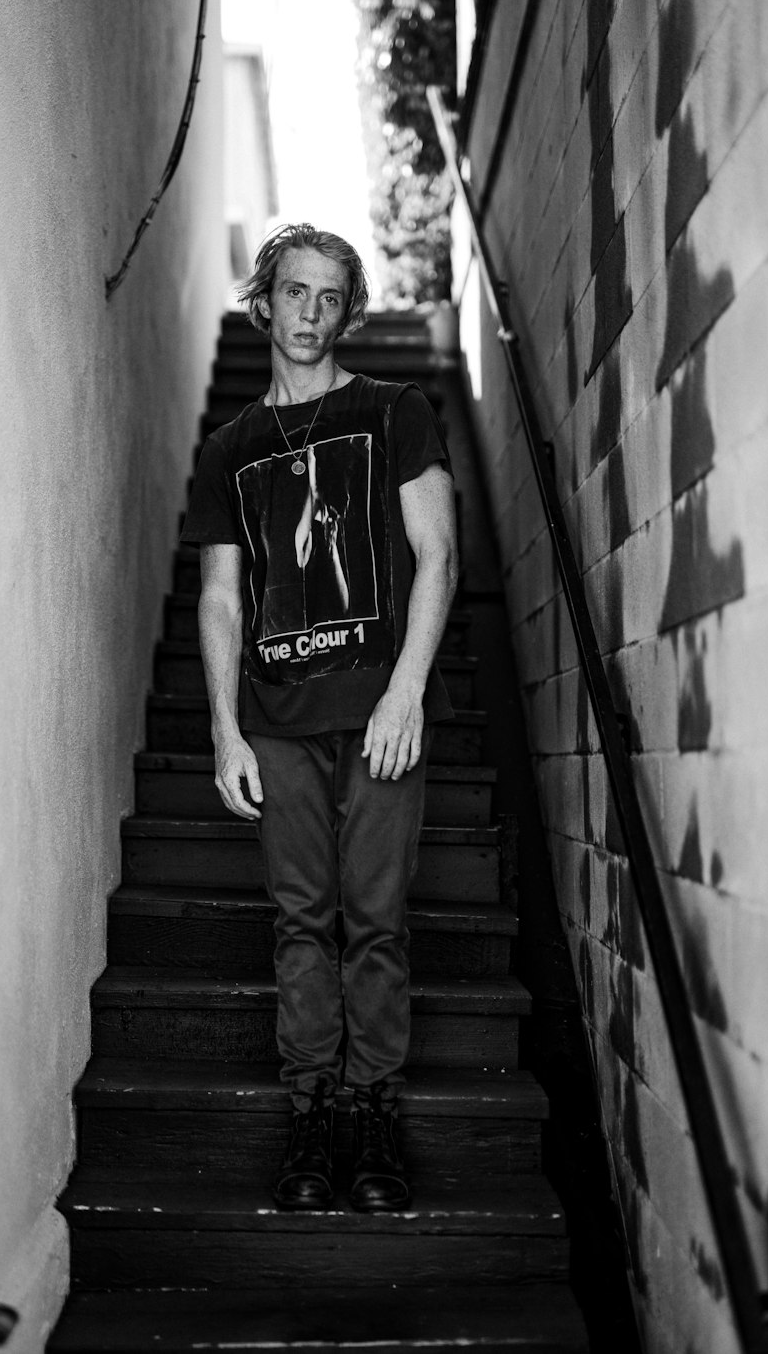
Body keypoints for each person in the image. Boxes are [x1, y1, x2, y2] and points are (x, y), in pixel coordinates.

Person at [181, 223, 459, 1212]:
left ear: (348, 311)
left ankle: (372, 1110)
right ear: (264, 301)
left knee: (373, 918)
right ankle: (312, 1112)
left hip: (378, 710)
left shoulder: (394, 410)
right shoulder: (229, 448)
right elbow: (221, 597)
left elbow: (438, 554)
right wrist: (223, 730)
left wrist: (405, 690)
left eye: (327, 298)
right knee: (302, 919)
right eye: (292, 293)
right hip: (276, 720)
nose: (308, 314)